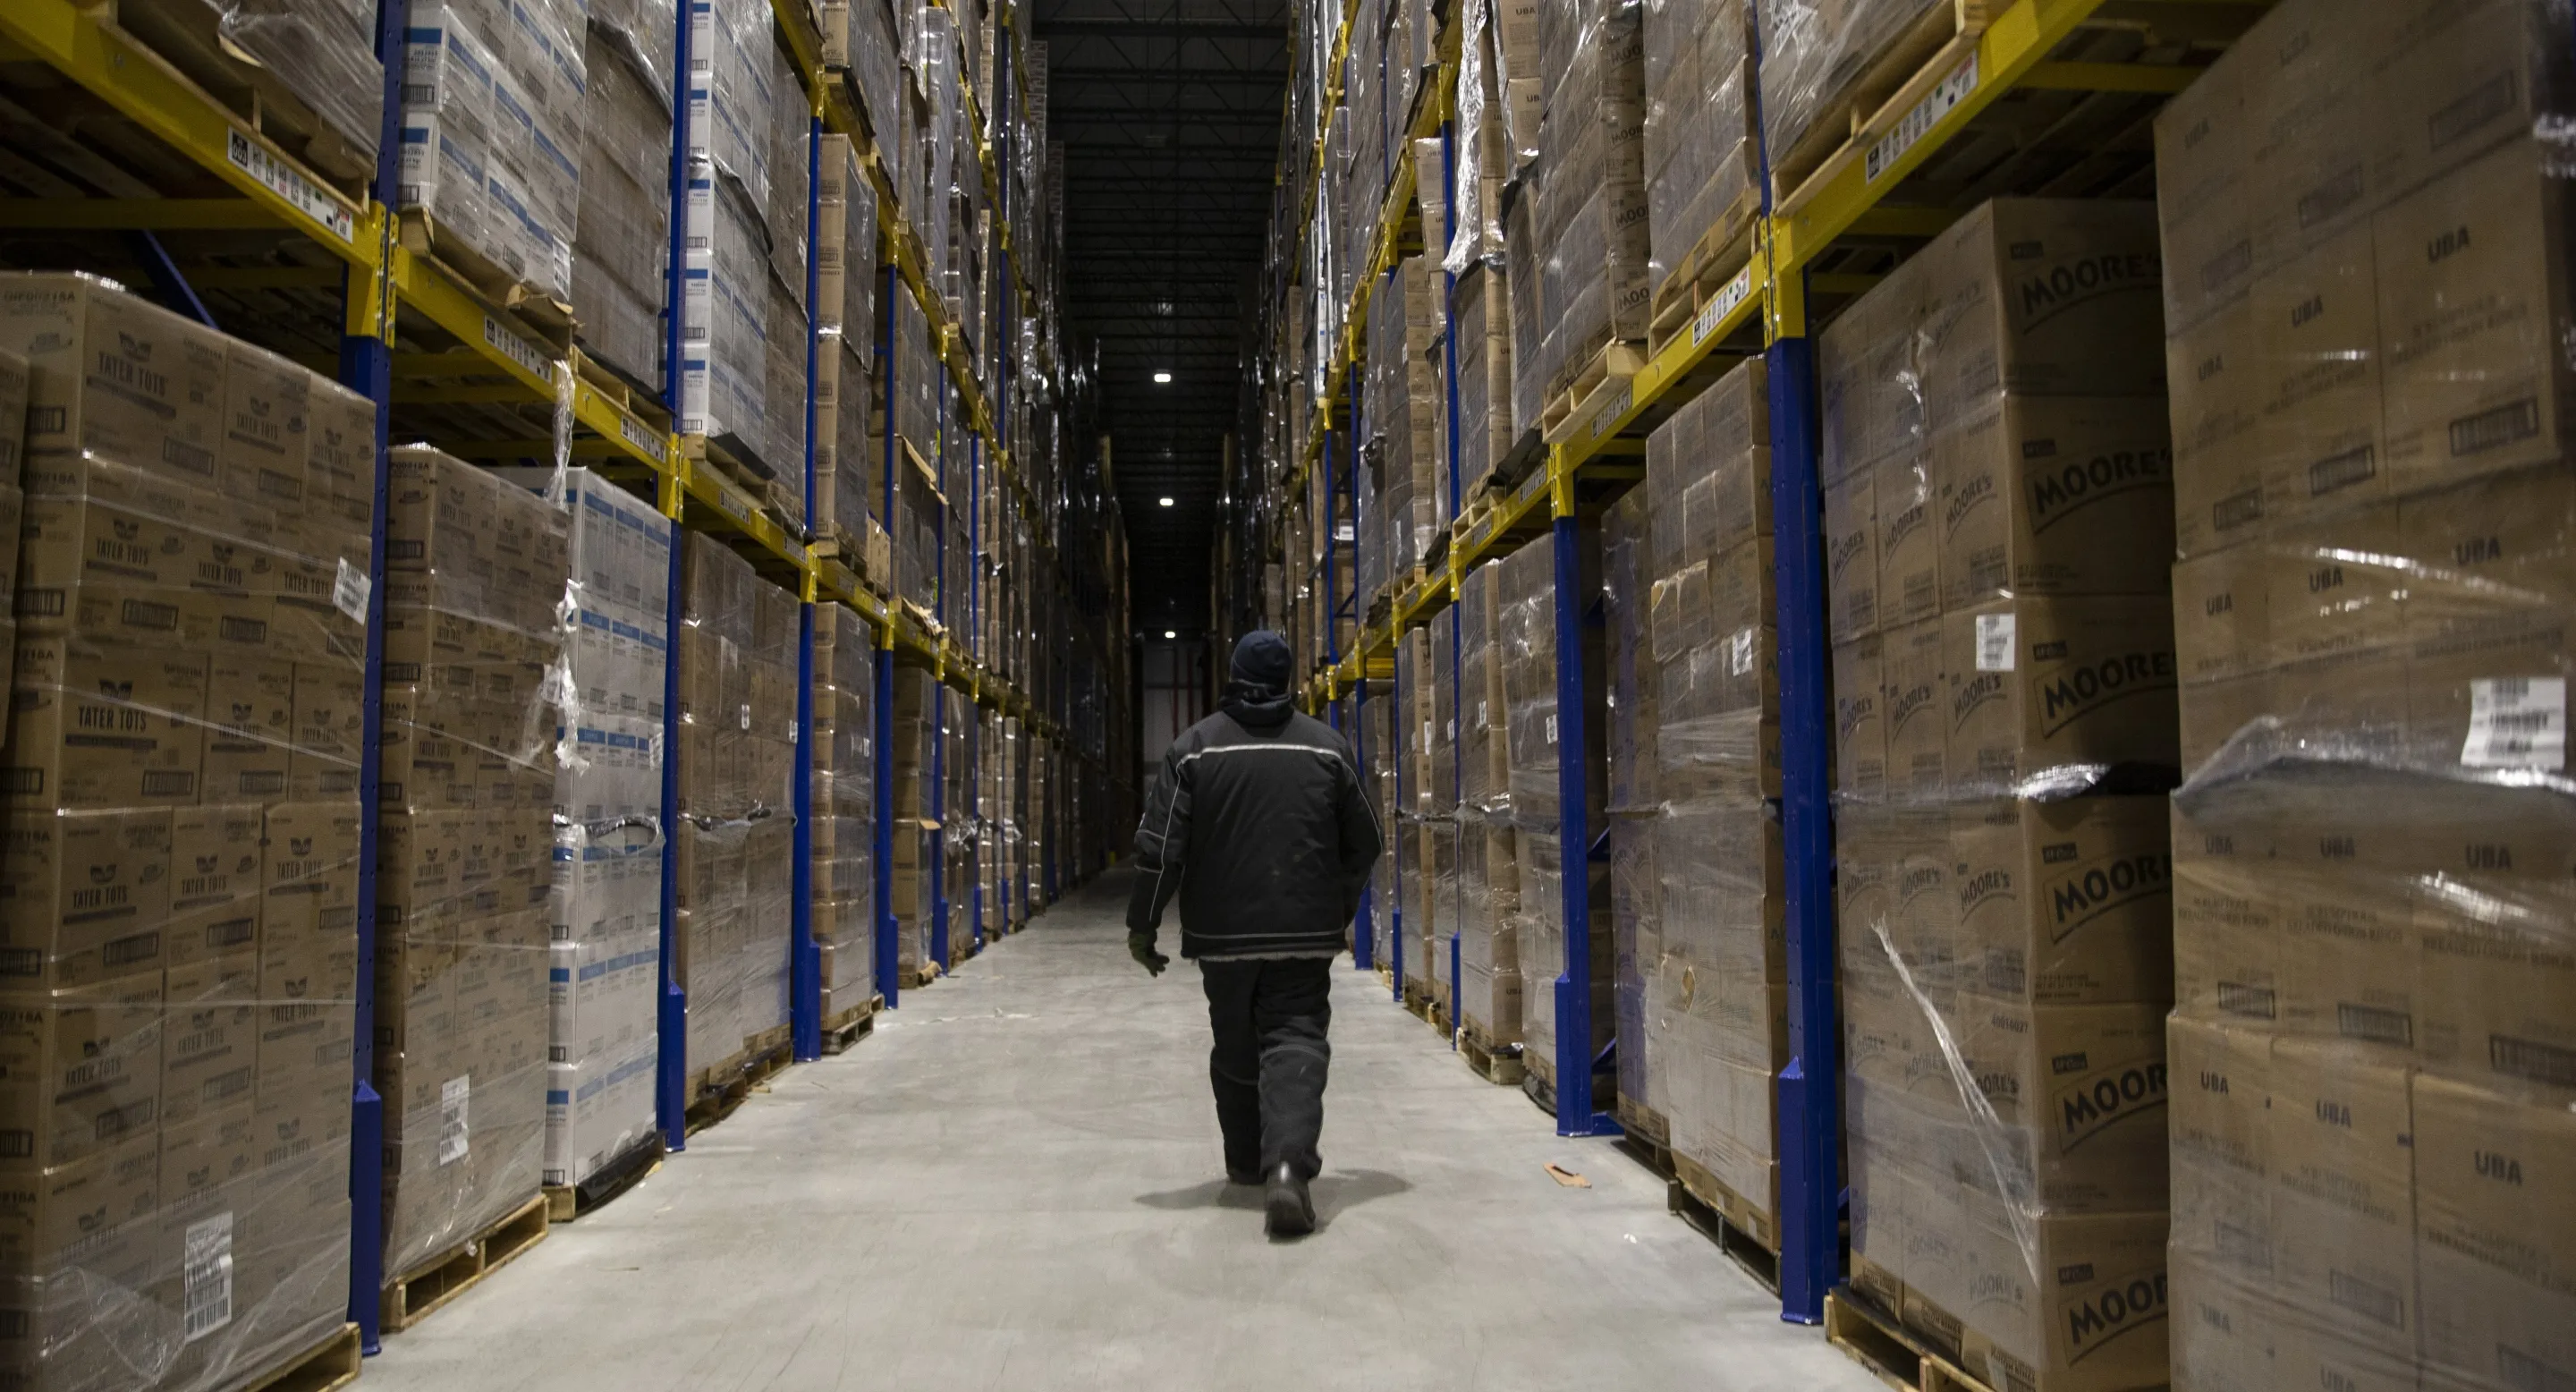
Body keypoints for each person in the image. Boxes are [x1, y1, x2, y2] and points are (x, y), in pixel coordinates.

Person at [1126, 630, 1384, 1237]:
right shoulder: (1327, 748)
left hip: (1221, 937)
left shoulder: (1193, 750)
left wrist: (1143, 924)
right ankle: (1288, 1167)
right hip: (1305, 931)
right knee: (1295, 1037)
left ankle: (1246, 1162)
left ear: (1234, 675)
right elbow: (1366, 839)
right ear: (1287, 680)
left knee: (1236, 1043)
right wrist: (1337, 906)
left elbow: (1161, 850)